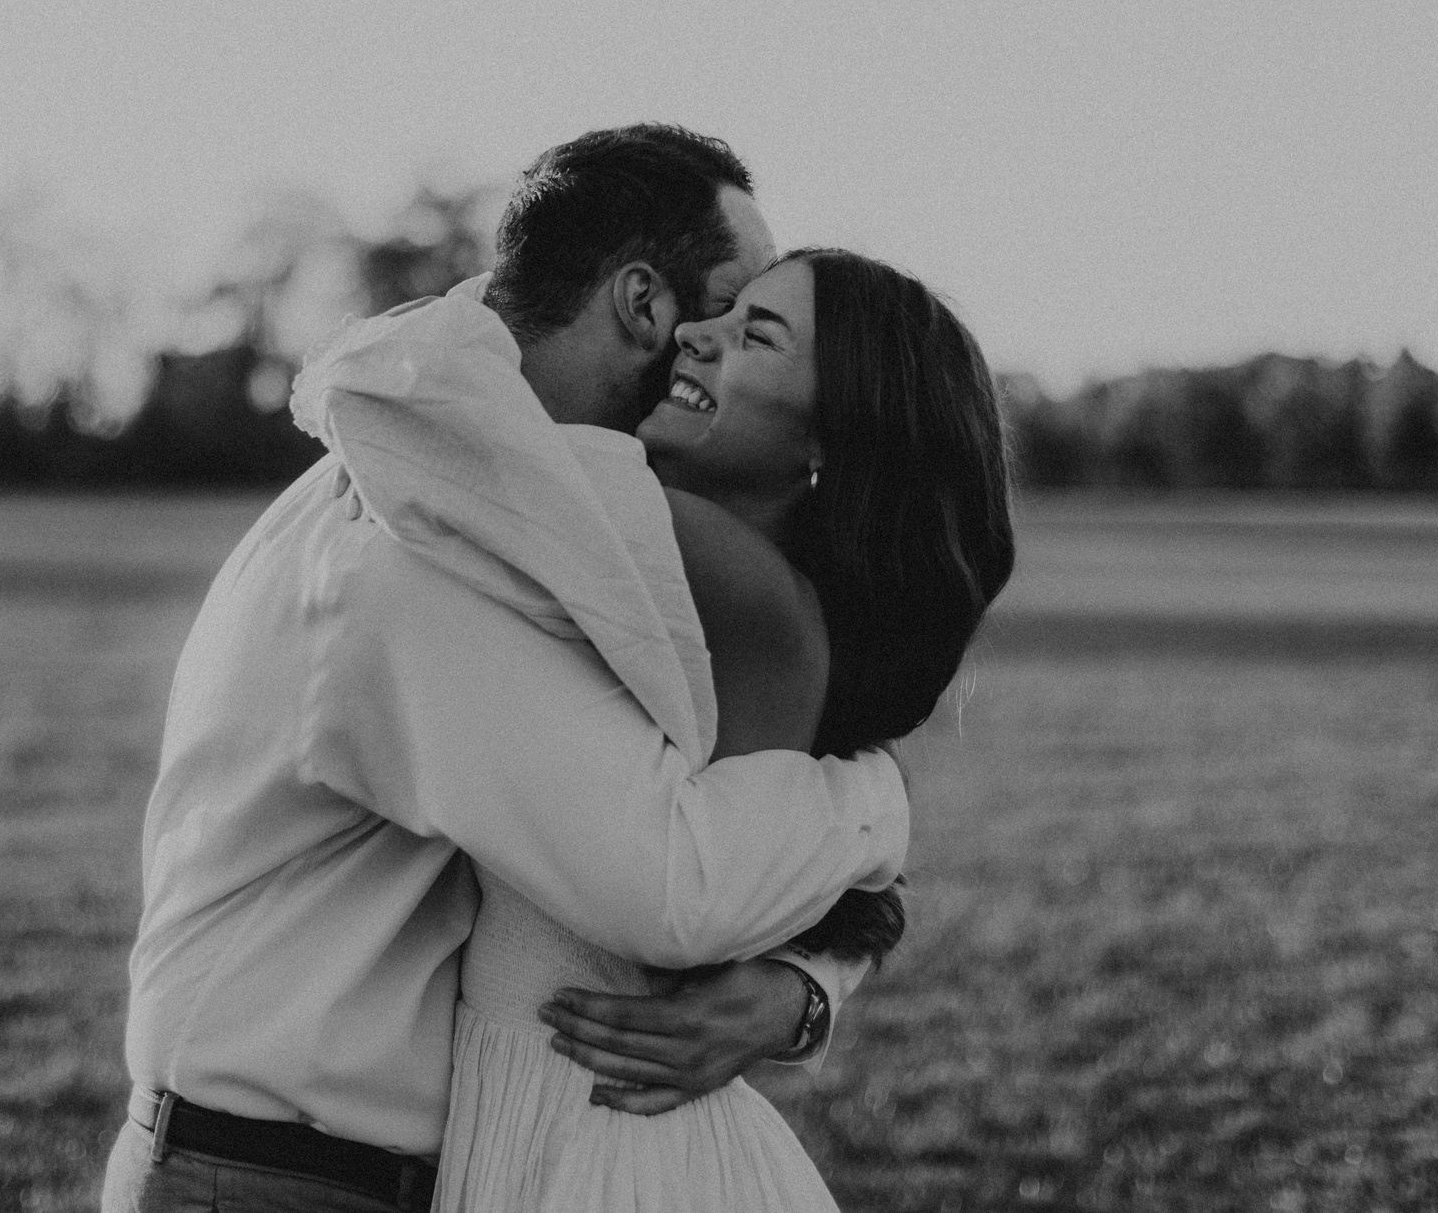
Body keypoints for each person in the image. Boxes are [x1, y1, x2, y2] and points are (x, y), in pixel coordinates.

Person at [104, 126, 912, 1213]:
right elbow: (668, 891)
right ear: (642, 303)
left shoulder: (520, 513)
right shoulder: (412, 548)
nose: (715, 344)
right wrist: (878, 800)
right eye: (721, 306)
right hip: (274, 1178)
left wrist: (798, 991)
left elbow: (719, 841)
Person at [326, 245, 1016, 1210]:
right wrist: (810, 973)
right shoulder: (711, 582)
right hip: (576, 1119)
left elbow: (399, 408)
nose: (695, 331)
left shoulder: (728, 572)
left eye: (755, 333)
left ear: (829, 441)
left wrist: (534, 282)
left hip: (604, 1141)